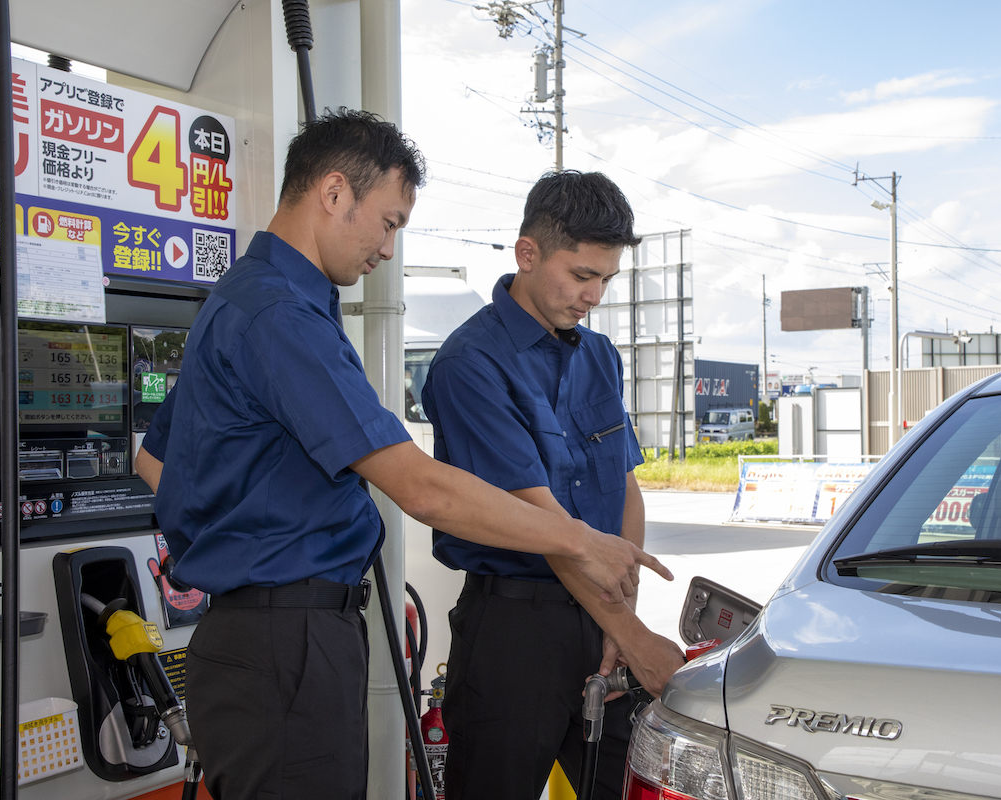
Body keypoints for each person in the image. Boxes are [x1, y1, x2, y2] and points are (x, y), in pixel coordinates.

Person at [134, 110, 669, 800]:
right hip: (284, 639)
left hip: (278, 630)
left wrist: (238, 519)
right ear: (333, 194)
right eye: (387, 222)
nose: (388, 248)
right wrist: (582, 543)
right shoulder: (279, 315)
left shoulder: (264, 302)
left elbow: (156, 461)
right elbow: (421, 489)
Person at [421, 170, 687, 800]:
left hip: (600, 622)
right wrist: (632, 634)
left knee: (622, 784)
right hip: (516, 630)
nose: (593, 295)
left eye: (606, 280)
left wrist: (620, 617)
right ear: (527, 253)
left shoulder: (599, 355)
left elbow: (624, 485)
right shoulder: (470, 365)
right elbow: (543, 525)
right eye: (581, 275)